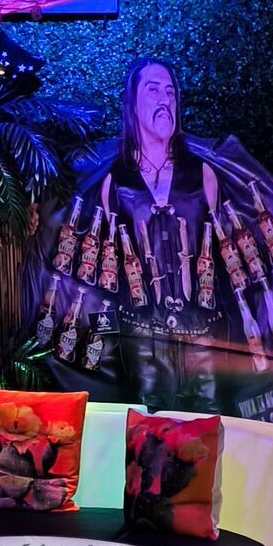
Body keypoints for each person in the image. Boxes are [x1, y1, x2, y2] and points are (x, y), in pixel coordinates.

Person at [98, 57, 221, 409]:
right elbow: (103, 265)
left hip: (202, 337)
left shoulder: (202, 174)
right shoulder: (115, 182)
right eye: (153, 90)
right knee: (146, 431)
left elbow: (238, 226)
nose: (165, 100)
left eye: (170, 92)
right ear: (132, 104)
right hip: (141, 340)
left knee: (208, 426)